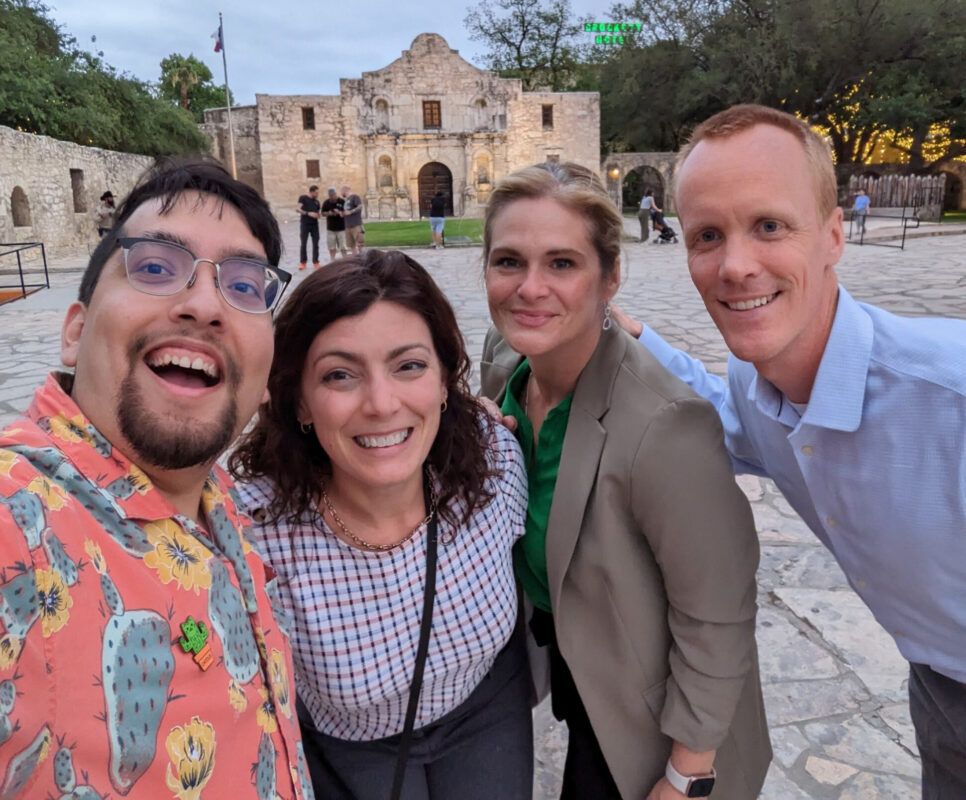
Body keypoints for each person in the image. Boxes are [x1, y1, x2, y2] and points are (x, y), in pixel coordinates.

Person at [625, 104, 966, 799]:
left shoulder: (951, 398)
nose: (736, 266)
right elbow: (725, 418)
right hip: (937, 685)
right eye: (707, 236)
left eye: (770, 226)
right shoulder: (758, 381)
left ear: (834, 234)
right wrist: (631, 338)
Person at [0, 159, 313, 800]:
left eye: (246, 286)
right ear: (76, 332)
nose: (203, 305)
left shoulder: (217, 503)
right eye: (154, 268)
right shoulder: (18, 525)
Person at [479, 161, 771, 800]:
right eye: (508, 261)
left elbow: (717, 615)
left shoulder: (665, 426)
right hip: (570, 657)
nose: (530, 288)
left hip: (655, 713)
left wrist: (687, 773)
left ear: (609, 277)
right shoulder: (504, 361)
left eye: (562, 263)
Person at [230, 250, 533, 800]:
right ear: (299, 399)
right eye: (340, 375)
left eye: (409, 366)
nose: (381, 403)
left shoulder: (493, 464)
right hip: (351, 745)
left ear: (445, 379)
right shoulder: (254, 530)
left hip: (485, 709)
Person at [297, 184, 322, 269]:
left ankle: (316, 262)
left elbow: (318, 212)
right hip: (305, 224)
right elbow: (298, 209)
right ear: (311, 192)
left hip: (315, 225)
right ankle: (303, 262)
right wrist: (308, 213)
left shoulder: (317, 201)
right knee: (303, 243)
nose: (317, 194)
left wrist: (318, 215)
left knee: (316, 243)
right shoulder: (303, 198)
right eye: (316, 193)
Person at [322, 187, 347, 261]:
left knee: (343, 246)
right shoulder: (326, 202)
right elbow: (323, 213)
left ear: (336, 194)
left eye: (333, 195)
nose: (332, 196)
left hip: (341, 228)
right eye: (330, 195)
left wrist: (339, 212)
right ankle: (332, 260)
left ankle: (345, 260)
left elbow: (346, 212)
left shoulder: (342, 201)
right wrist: (329, 213)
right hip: (331, 228)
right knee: (331, 246)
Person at [341, 184, 365, 254]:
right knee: (352, 246)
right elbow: (347, 211)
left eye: (341, 191)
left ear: (345, 190)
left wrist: (351, 211)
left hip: (356, 225)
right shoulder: (346, 201)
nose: (341, 193)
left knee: (360, 244)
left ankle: (364, 260)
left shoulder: (355, 197)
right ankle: (355, 261)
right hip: (348, 226)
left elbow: (360, 206)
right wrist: (343, 213)